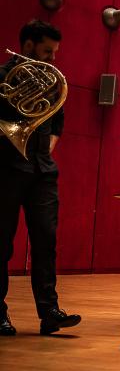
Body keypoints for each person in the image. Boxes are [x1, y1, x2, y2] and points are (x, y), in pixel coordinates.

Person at [0, 20, 80, 336]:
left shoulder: (51, 82)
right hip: (6, 169)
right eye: (48, 51)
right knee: (1, 242)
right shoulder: (3, 78)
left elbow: (57, 124)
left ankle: (50, 312)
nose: (52, 58)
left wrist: (45, 151)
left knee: (46, 240)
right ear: (29, 45)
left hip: (42, 171)